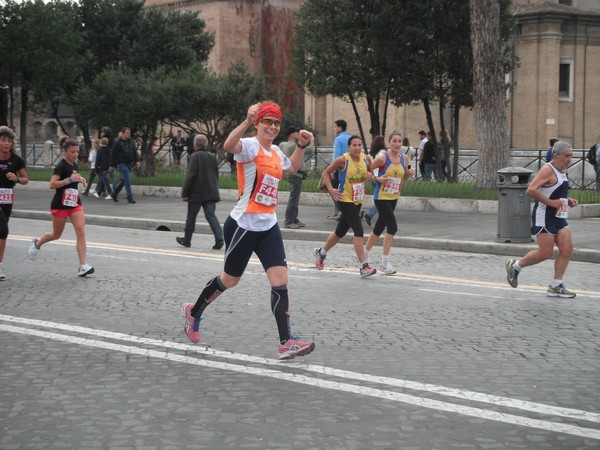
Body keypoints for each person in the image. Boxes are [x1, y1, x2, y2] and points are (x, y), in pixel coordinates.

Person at [181, 101, 316, 360]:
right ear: (258, 124)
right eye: (267, 121)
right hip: (243, 224)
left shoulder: (276, 152)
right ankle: (194, 311)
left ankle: (285, 342)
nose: (272, 127)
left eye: (276, 123)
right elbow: (229, 146)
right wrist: (245, 120)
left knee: (281, 281)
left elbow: (294, 168)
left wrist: (301, 145)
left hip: (268, 225)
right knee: (230, 280)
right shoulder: (250, 147)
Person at [505, 141, 579, 298]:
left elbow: (553, 191)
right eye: (567, 156)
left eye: (571, 155)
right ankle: (515, 265)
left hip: (559, 216)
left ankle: (556, 285)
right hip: (544, 216)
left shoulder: (562, 170)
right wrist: (552, 203)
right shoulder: (547, 169)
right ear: (556, 156)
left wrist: (568, 200)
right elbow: (531, 190)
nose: (569, 159)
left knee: (567, 249)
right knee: (546, 252)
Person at [28, 137, 94, 277]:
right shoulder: (61, 166)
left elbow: (73, 177)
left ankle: (83, 265)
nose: (75, 154)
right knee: (56, 235)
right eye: (72, 152)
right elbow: (52, 184)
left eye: (77, 152)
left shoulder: (73, 165)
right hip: (60, 204)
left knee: (81, 231)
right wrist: (69, 180)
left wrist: (79, 178)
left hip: (74, 203)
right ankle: (37, 243)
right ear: (65, 151)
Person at [314, 135, 377, 278]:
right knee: (358, 230)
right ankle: (363, 266)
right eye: (354, 145)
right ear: (349, 147)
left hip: (357, 199)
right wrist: (330, 188)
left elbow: (371, 174)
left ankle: (321, 252)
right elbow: (326, 172)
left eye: (359, 145)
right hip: (344, 198)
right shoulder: (342, 160)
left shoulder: (365, 159)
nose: (357, 148)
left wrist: (369, 176)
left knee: (340, 232)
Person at [364, 132, 414, 274]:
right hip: (381, 197)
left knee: (379, 227)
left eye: (399, 141)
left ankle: (364, 253)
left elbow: (404, 176)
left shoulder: (404, 158)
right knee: (392, 227)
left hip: (393, 196)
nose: (397, 144)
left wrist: (409, 174)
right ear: (389, 143)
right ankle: (384, 263)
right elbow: (368, 173)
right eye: (394, 141)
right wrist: (378, 179)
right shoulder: (382, 158)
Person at [176, 134, 224, 250]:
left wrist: (185, 193)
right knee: (211, 215)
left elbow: (190, 176)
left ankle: (187, 240)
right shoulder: (212, 156)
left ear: (195, 144)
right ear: (206, 145)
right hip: (211, 192)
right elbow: (215, 175)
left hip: (196, 193)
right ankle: (219, 239)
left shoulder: (194, 156)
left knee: (191, 217)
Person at [0, 126, 28, 280]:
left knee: (1, 232)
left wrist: (16, 179)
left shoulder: (16, 160)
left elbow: (25, 180)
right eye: (3, 141)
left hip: (7, 199)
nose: (6, 144)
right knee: (3, 230)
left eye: (9, 141)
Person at [281, 126, 312, 229]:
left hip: (293, 173)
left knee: (294, 198)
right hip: (295, 174)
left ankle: (294, 219)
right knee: (294, 198)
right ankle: (289, 220)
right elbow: (310, 150)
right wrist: (311, 139)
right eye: (296, 132)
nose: (298, 134)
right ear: (291, 134)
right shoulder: (293, 146)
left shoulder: (284, 144)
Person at [109, 127, 140, 204]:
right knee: (127, 179)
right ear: (123, 133)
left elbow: (134, 152)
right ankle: (130, 197)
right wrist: (112, 165)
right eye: (127, 133)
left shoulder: (131, 142)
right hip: (121, 163)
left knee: (124, 180)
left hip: (129, 163)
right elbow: (113, 154)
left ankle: (114, 194)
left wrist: (137, 161)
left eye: (129, 133)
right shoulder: (118, 142)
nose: (129, 134)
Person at [328, 119, 351, 220]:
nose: (335, 129)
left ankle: (339, 211)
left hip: (340, 167)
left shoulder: (338, 139)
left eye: (336, 126)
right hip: (351, 167)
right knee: (349, 189)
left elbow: (336, 155)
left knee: (334, 189)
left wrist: (333, 171)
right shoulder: (351, 138)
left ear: (340, 128)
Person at [363, 135, 387, 227]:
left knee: (381, 198)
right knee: (382, 200)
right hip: (380, 178)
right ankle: (370, 215)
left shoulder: (371, 153)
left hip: (372, 177)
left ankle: (381, 219)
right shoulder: (384, 153)